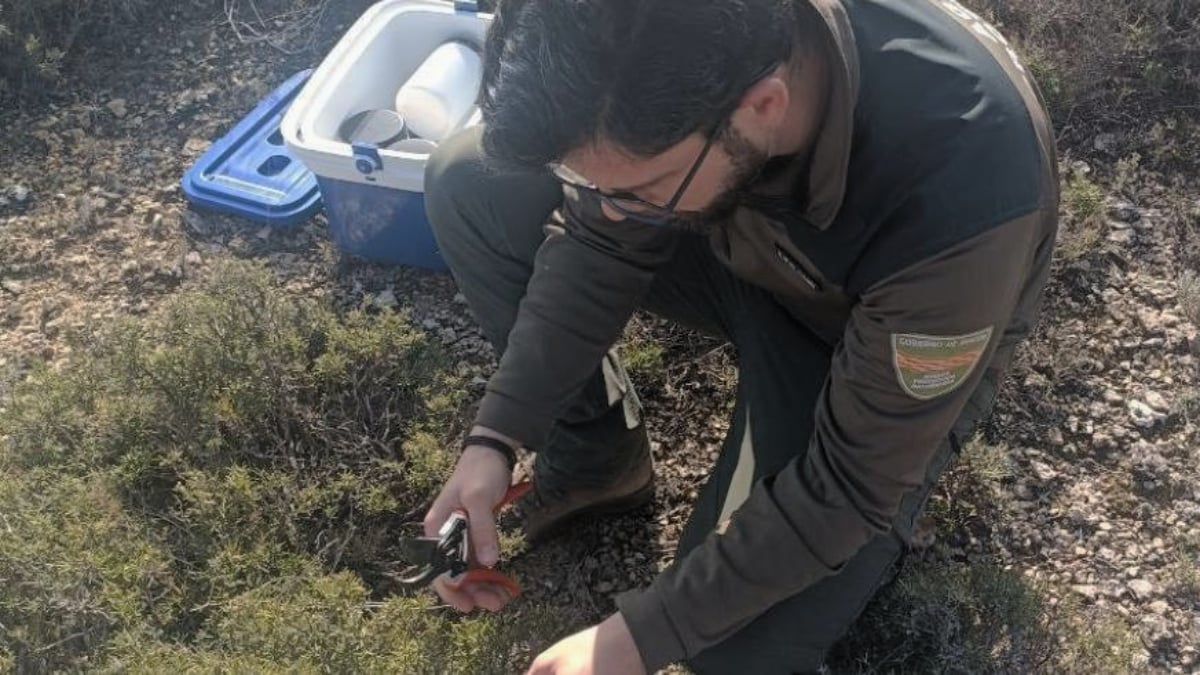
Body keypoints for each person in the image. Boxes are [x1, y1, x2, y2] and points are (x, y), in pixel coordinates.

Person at [420, 0, 1059, 672]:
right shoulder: (666, 65)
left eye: (636, 189)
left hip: (852, 341)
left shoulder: (964, 190)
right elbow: (599, 236)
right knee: (470, 184)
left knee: (729, 646)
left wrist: (635, 639)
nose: (607, 208)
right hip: (740, 238)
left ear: (763, 104)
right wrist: (496, 436)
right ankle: (596, 461)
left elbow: (846, 487)